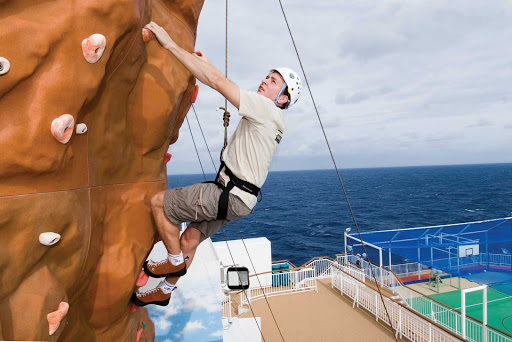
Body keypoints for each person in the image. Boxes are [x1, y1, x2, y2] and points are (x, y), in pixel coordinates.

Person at [131, 21, 302, 306]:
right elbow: (222, 82)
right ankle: (165, 290)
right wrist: (210, 65)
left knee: (160, 203)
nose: (264, 81)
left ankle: (173, 262)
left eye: (273, 81)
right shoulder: (272, 120)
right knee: (190, 239)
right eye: (266, 76)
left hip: (228, 194)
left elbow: (219, 84)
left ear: (282, 98)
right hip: (240, 201)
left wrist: (169, 44)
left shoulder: (266, 109)